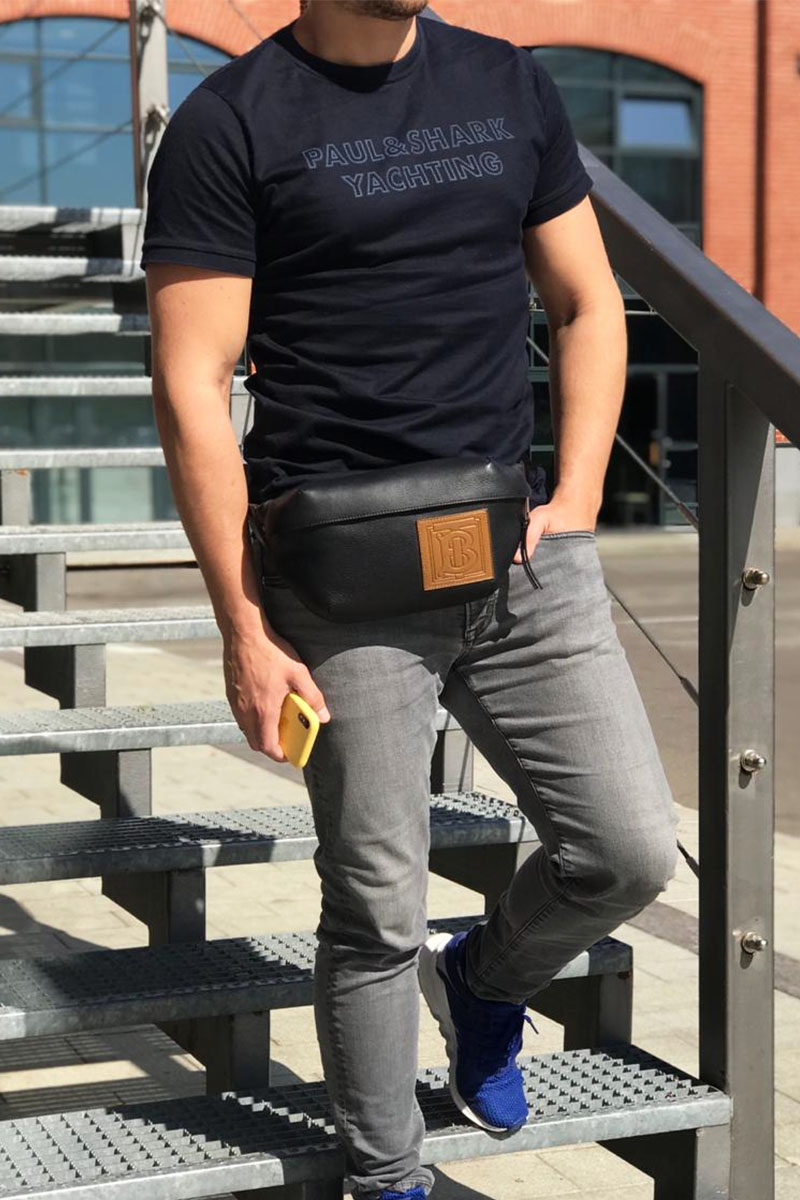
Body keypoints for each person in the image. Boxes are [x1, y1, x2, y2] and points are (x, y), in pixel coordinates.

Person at [140, 2, 680, 1197]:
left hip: (518, 557)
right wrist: (243, 626)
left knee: (627, 853)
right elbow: (191, 383)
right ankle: (387, 1176)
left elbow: (585, 302)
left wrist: (578, 496)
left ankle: (482, 978)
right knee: (375, 909)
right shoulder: (230, 124)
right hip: (342, 580)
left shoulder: (506, 82)